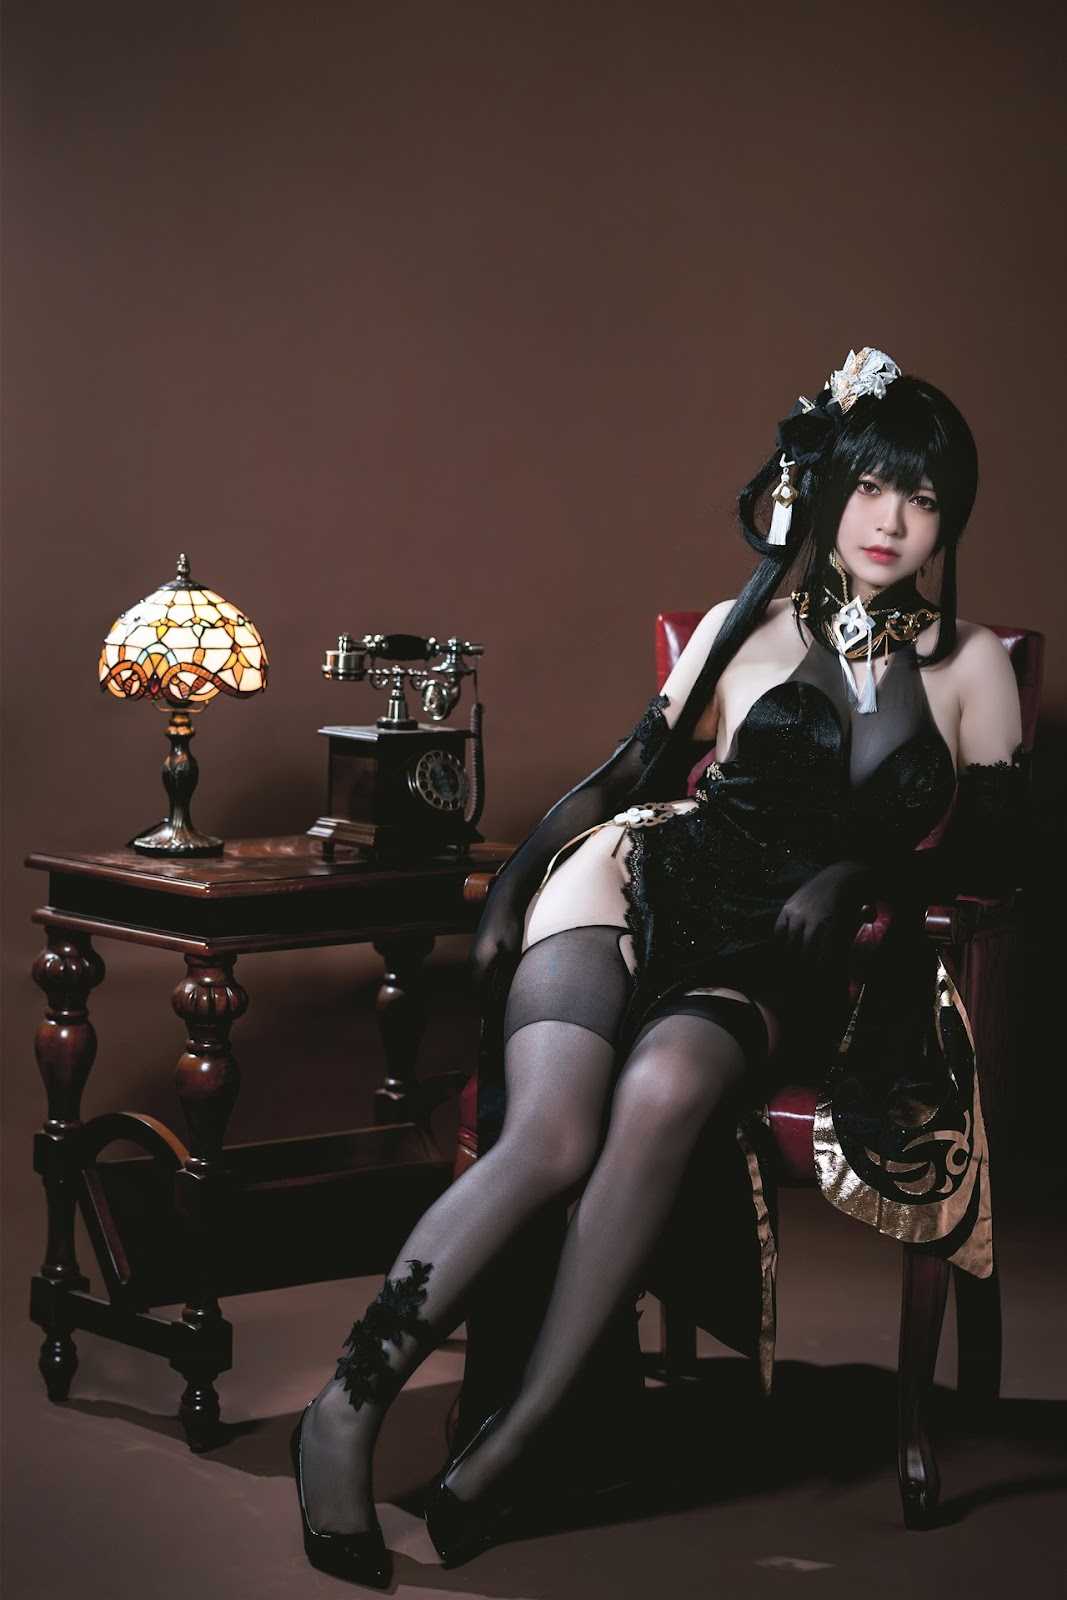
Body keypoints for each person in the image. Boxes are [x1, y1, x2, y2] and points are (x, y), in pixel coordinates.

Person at [290, 347, 1027, 1586]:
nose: (890, 521)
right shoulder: (747, 629)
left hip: (768, 951)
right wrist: (515, 887)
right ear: (825, 488)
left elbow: (996, 850)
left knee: (666, 1091)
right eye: (866, 487)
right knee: (547, 1140)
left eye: (920, 498)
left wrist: (861, 875)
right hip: (635, 882)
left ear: (947, 517)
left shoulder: (972, 666)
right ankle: (342, 1412)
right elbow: (625, 778)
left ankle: (513, 1438)